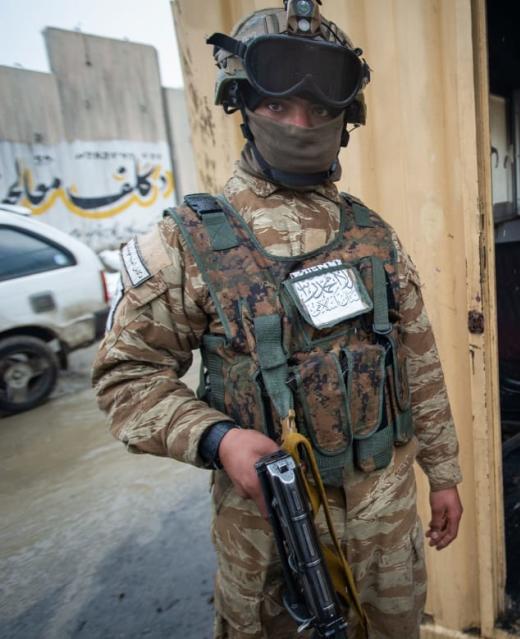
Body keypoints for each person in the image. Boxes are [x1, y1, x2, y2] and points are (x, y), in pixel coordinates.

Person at [92, 3, 463, 638]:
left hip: (386, 519)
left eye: (321, 110)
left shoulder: (373, 234)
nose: (301, 123)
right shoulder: (187, 244)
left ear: (347, 118)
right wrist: (220, 439)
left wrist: (445, 475)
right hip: (269, 538)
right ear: (242, 104)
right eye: (278, 106)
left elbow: (419, 360)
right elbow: (125, 378)